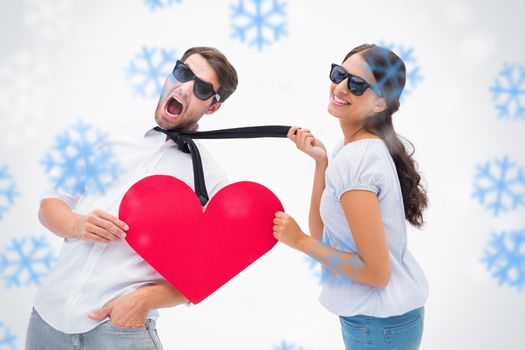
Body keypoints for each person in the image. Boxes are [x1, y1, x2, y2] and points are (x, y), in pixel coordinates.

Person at [26, 46, 238, 350]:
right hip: (46, 320)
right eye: (183, 73)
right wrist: (78, 224)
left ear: (212, 108)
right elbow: (50, 205)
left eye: (202, 88)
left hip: (119, 333)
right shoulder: (107, 135)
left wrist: (143, 300)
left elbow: (212, 271)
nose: (185, 87)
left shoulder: (209, 181)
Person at [272, 44, 429, 350]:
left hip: (379, 326)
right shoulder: (353, 149)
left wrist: (300, 242)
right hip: (380, 322)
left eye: (357, 85)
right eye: (339, 74)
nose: (341, 87)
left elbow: (375, 273)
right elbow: (326, 236)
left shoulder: (357, 160)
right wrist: (321, 163)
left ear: (380, 104)